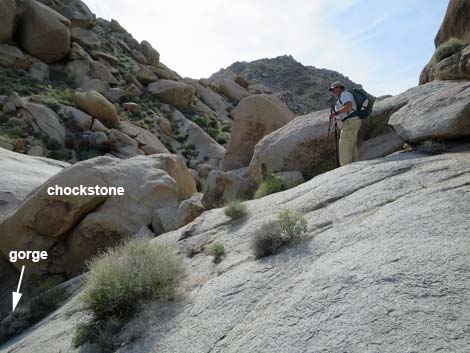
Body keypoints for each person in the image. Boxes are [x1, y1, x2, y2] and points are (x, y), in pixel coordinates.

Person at [329, 81, 361, 166]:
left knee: (344, 146)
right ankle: (356, 165)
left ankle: (346, 168)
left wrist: (336, 113)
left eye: (333, 89)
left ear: (339, 88)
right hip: (352, 121)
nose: (333, 91)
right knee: (352, 145)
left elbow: (348, 106)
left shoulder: (344, 94)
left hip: (350, 122)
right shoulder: (343, 96)